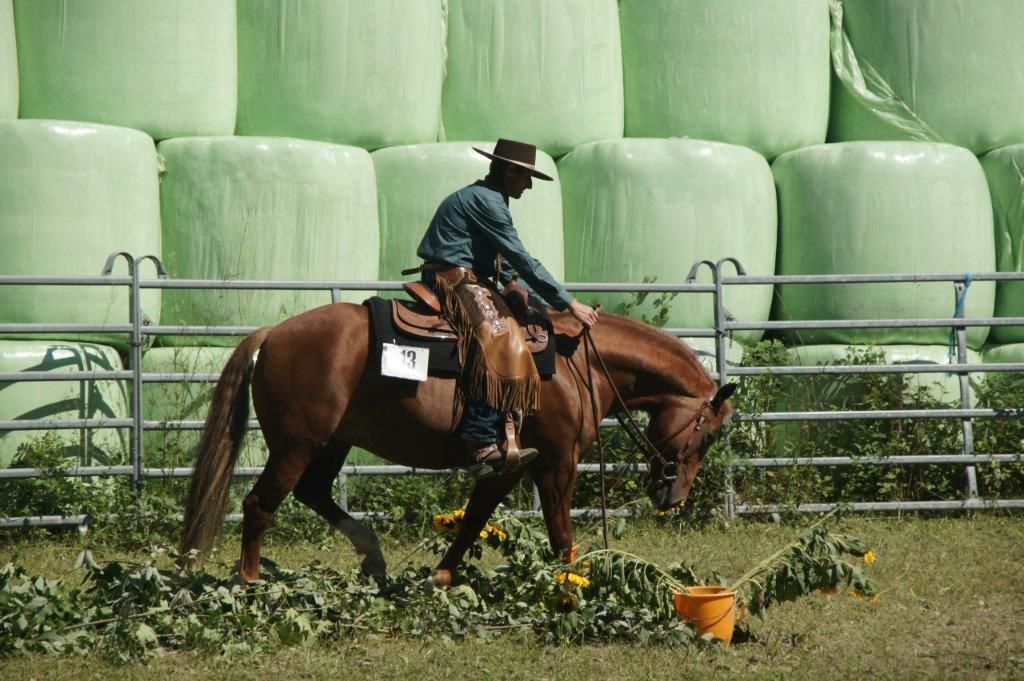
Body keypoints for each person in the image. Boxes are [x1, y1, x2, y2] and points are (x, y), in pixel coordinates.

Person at [415, 139, 599, 478]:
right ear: (510, 171)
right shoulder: (487, 201)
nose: (528, 185)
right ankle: (481, 438)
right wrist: (569, 303)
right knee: (500, 335)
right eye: (526, 177)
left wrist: (524, 290)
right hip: (451, 278)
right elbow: (522, 259)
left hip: (466, 274)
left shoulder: (488, 197)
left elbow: (507, 263)